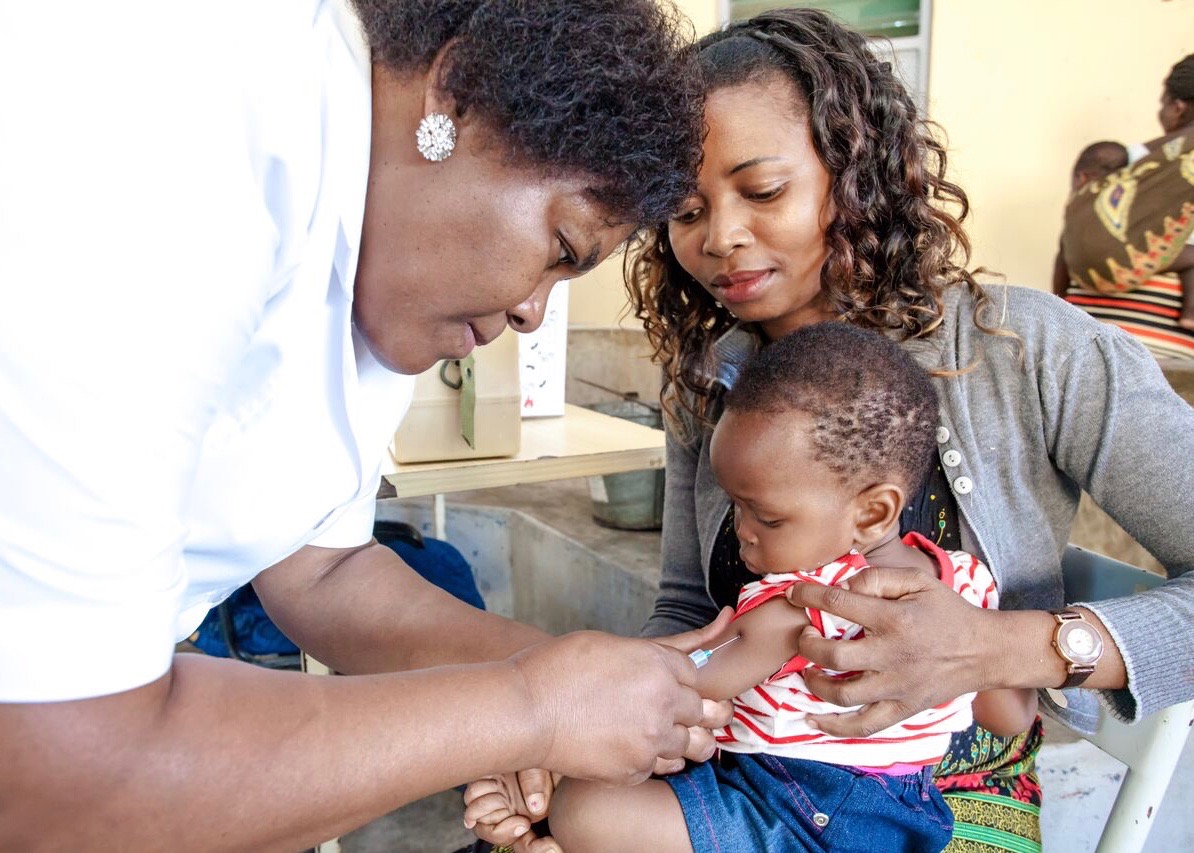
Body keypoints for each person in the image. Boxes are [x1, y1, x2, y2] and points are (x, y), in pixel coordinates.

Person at [0, 1, 735, 848]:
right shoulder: (183, 131)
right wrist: (527, 710)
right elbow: (65, 770)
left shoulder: (377, 243)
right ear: (452, 97)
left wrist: (567, 681)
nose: (534, 311)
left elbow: (321, 570)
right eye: (561, 247)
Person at [609, 10, 1193, 853]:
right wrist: (615, 733)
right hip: (750, 769)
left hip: (949, 803)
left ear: (854, 171)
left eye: (763, 190)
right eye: (684, 208)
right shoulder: (711, 381)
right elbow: (690, 607)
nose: (719, 237)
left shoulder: (1032, 353)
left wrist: (1008, 646)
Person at [464, 322, 1037, 852]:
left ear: (873, 512)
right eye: (735, 506)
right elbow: (1009, 716)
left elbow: (679, 685)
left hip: (807, 810)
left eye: (767, 517)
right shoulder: (964, 585)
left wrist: (552, 727)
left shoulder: (807, 604)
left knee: (587, 809)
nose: (743, 534)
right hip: (904, 811)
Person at [1055, 54, 1194, 358]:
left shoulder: (1126, 159)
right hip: (1176, 352)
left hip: (1085, 342)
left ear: (1178, 107)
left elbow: (1074, 234)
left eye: (1163, 103)